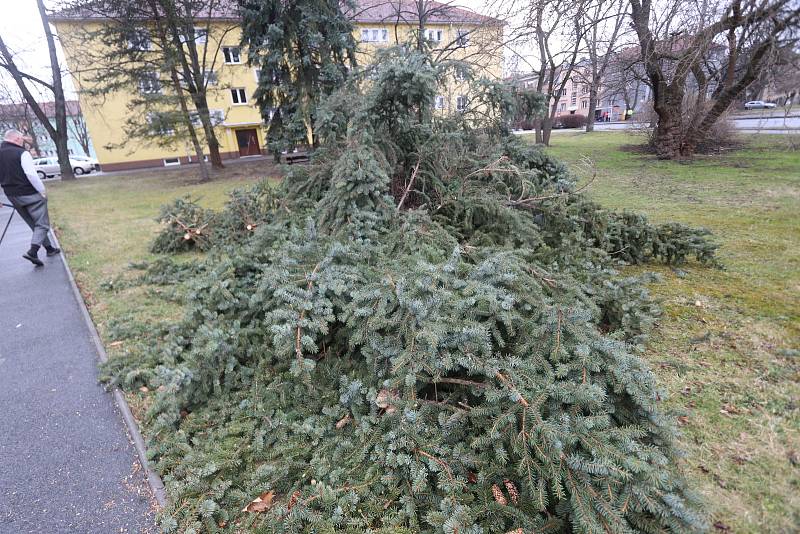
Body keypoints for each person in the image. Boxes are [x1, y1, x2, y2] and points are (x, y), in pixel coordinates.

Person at [0, 129, 60, 266]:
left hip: (12, 195)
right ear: (16, 139)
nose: (22, 142)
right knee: (42, 224)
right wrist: (42, 191)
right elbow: (31, 174)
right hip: (29, 193)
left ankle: (50, 249)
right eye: (21, 139)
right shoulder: (22, 153)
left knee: (33, 224)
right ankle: (32, 252)